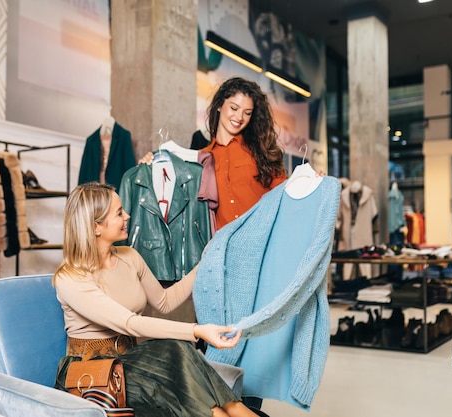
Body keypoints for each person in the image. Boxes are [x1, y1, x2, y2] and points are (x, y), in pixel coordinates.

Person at [53, 182, 259, 417]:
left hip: (129, 360)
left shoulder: (130, 257)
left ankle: (235, 409)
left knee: (177, 349)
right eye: (119, 213)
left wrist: (205, 263)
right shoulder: (70, 278)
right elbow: (130, 323)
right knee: (177, 363)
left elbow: (165, 302)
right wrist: (198, 330)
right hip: (91, 372)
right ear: (96, 226)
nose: (128, 216)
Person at [139, 76, 287, 231]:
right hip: (221, 248)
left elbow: (285, 195)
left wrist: (309, 181)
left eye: (247, 113)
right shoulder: (199, 160)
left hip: (262, 241)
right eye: (234, 108)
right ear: (219, 105)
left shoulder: (262, 152)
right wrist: (149, 165)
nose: (239, 117)